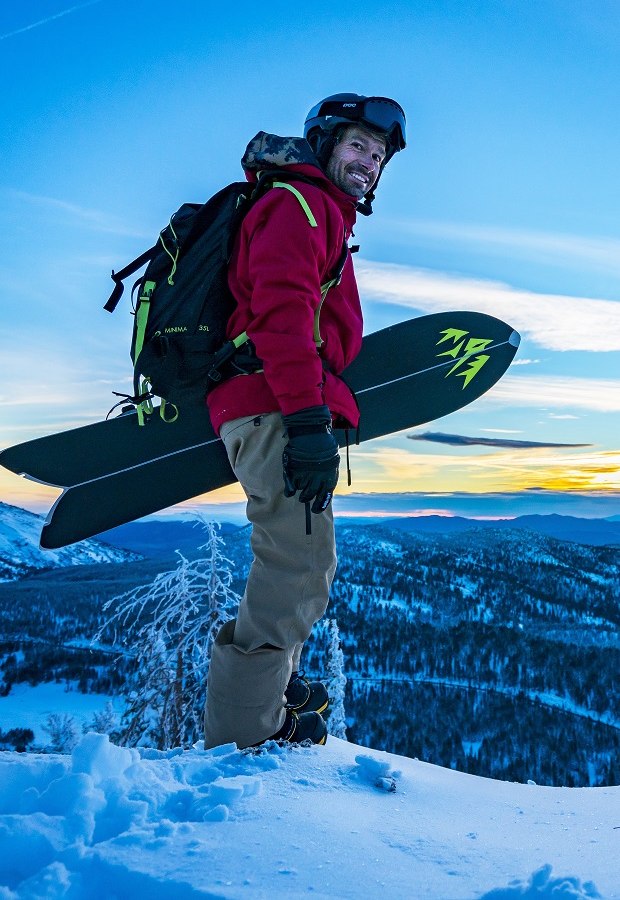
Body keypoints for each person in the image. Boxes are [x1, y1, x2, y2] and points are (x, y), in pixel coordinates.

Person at [202, 94, 406, 749]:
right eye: (357, 147)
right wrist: (310, 421)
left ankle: (268, 702)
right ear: (323, 143)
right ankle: (243, 740)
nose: (368, 163)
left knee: (304, 560)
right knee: (295, 561)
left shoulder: (316, 210)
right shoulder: (300, 204)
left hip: (278, 401)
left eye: (378, 157)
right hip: (276, 403)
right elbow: (282, 315)